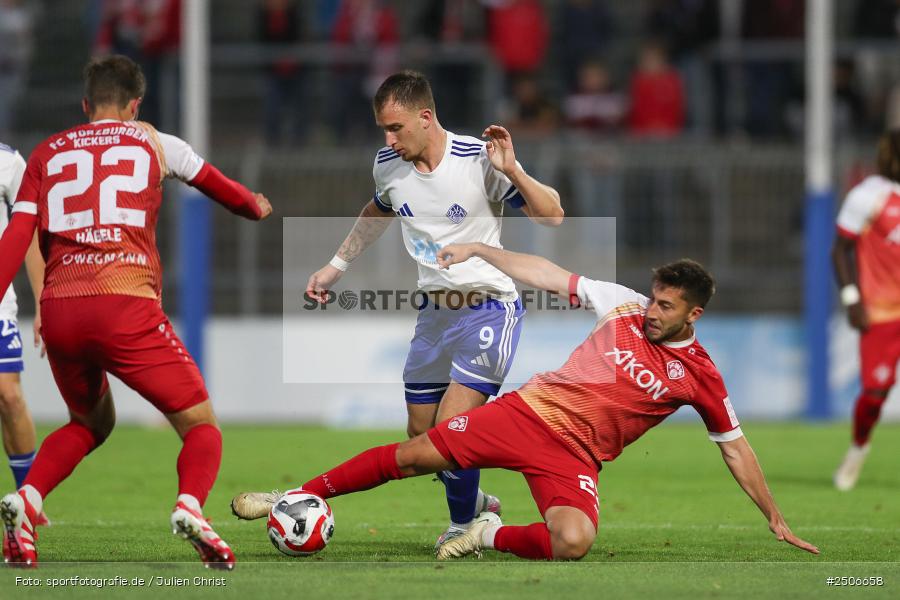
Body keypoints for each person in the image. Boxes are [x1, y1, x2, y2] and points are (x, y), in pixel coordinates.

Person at [233, 244, 818, 560]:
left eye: (666, 307)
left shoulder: (702, 376)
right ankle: (299, 495)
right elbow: (545, 273)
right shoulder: (621, 305)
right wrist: (486, 251)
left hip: (574, 459)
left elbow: (735, 449)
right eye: (654, 299)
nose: (652, 311)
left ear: (694, 314)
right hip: (526, 415)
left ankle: (482, 535)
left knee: (574, 541)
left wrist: (773, 515)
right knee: (414, 456)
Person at [232, 70, 563, 551]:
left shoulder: (477, 160)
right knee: (420, 432)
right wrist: (335, 266)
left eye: (396, 128)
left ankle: (463, 527)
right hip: (434, 315)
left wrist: (513, 171)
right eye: (383, 129)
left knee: (452, 432)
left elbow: (552, 215)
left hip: (489, 309)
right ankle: (474, 505)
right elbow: (377, 212)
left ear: (426, 118)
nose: (389, 139)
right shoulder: (389, 165)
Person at [0, 55, 272, 569]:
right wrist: (253, 206)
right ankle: (190, 506)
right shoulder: (154, 140)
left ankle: (26, 500)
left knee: (88, 421)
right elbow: (220, 188)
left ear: (86, 106)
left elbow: (18, 234)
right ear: (134, 104)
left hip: (60, 311)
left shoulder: (47, 153)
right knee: (200, 425)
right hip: (125, 304)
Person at [832, 129, 900, 491]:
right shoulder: (868, 196)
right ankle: (858, 449)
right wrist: (851, 299)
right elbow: (840, 250)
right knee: (875, 392)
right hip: (883, 310)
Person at [0, 142, 46, 507]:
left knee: (9, 395)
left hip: (0, 306)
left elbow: (30, 235)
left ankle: (27, 499)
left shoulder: (9, 162)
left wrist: (44, 299)